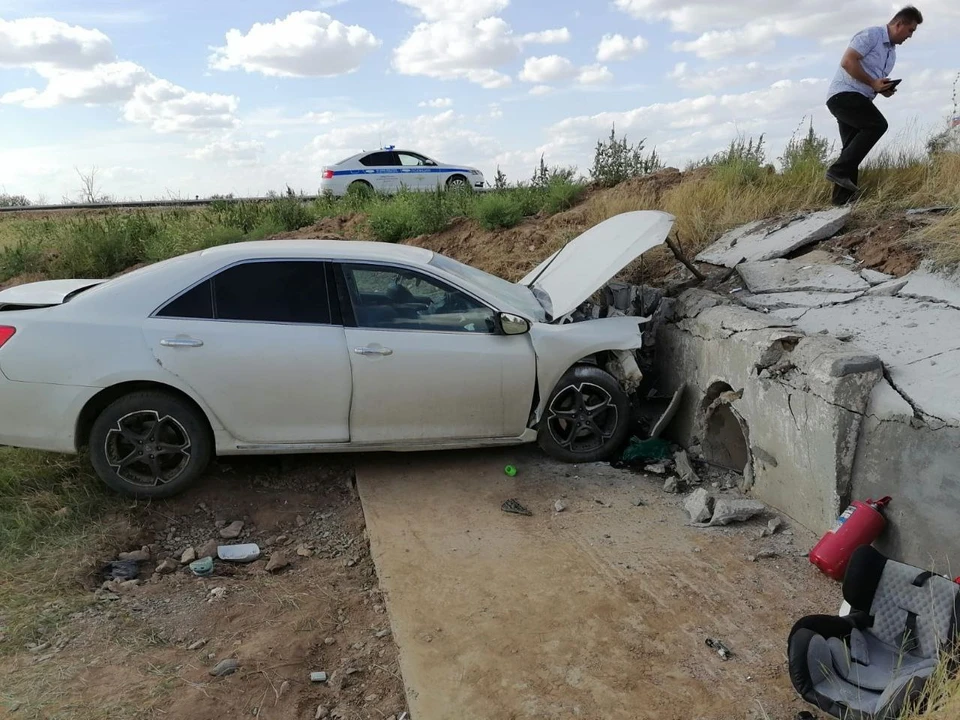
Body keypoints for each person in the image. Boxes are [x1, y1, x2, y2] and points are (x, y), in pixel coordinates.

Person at [824, 6, 923, 206]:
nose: (910, 36)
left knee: (851, 148)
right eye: (910, 30)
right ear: (899, 24)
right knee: (877, 125)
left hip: (858, 98)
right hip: (844, 96)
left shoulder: (891, 53)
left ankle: (841, 203)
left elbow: (874, 81)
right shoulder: (871, 35)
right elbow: (847, 62)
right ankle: (837, 170)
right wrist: (872, 83)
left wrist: (882, 88)